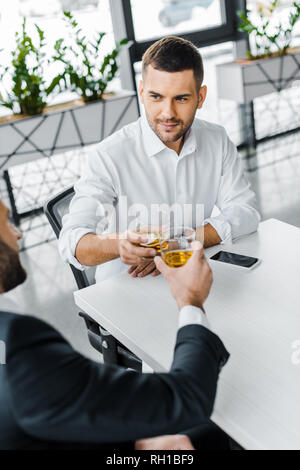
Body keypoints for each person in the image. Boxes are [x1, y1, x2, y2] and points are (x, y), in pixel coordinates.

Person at [0, 198, 230, 450]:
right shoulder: (18, 345)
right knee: (213, 434)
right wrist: (190, 300)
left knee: (205, 436)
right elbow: (186, 399)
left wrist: (135, 446)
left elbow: (35, 415)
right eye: (6, 222)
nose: (18, 234)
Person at [59, 36, 260, 283]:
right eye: (156, 97)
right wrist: (121, 244)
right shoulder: (108, 155)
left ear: (201, 97)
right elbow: (72, 241)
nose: (168, 113)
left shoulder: (216, 139)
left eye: (182, 98)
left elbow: (245, 211)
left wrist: (182, 242)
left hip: (191, 272)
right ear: (142, 92)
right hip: (127, 286)